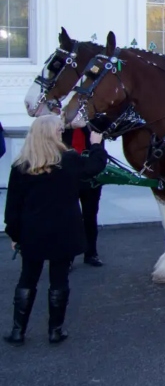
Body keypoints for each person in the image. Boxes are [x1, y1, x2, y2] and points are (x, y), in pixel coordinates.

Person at [3, 114, 107, 346]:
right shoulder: (69, 160)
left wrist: (14, 235)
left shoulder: (21, 166)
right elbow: (95, 166)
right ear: (52, 134)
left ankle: (18, 331)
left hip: (32, 232)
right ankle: (55, 331)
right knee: (58, 280)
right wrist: (97, 145)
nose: (62, 133)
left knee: (27, 279)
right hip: (64, 230)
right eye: (59, 130)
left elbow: (12, 208)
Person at [62, 124, 104, 267]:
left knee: (90, 216)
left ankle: (91, 253)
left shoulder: (94, 123)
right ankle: (68, 256)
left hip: (91, 175)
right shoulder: (63, 122)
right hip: (69, 174)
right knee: (69, 218)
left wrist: (85, 123)